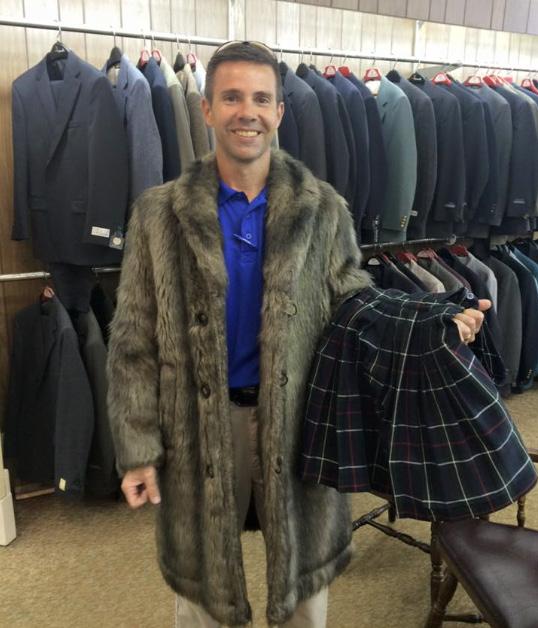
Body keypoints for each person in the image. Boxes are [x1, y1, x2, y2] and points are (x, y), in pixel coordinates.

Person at [107, 41, 488, 628]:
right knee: (202, 593)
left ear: (280, 111)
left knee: (305, 592)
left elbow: (358, 307)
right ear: (206, 108)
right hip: (197, 425)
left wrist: (435, 321)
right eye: (232, 97)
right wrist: (137, 451)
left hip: (302, 422)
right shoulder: (158, 214)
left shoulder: (323, 210)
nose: (247, 112)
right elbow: (133, 340)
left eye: (261, 99)